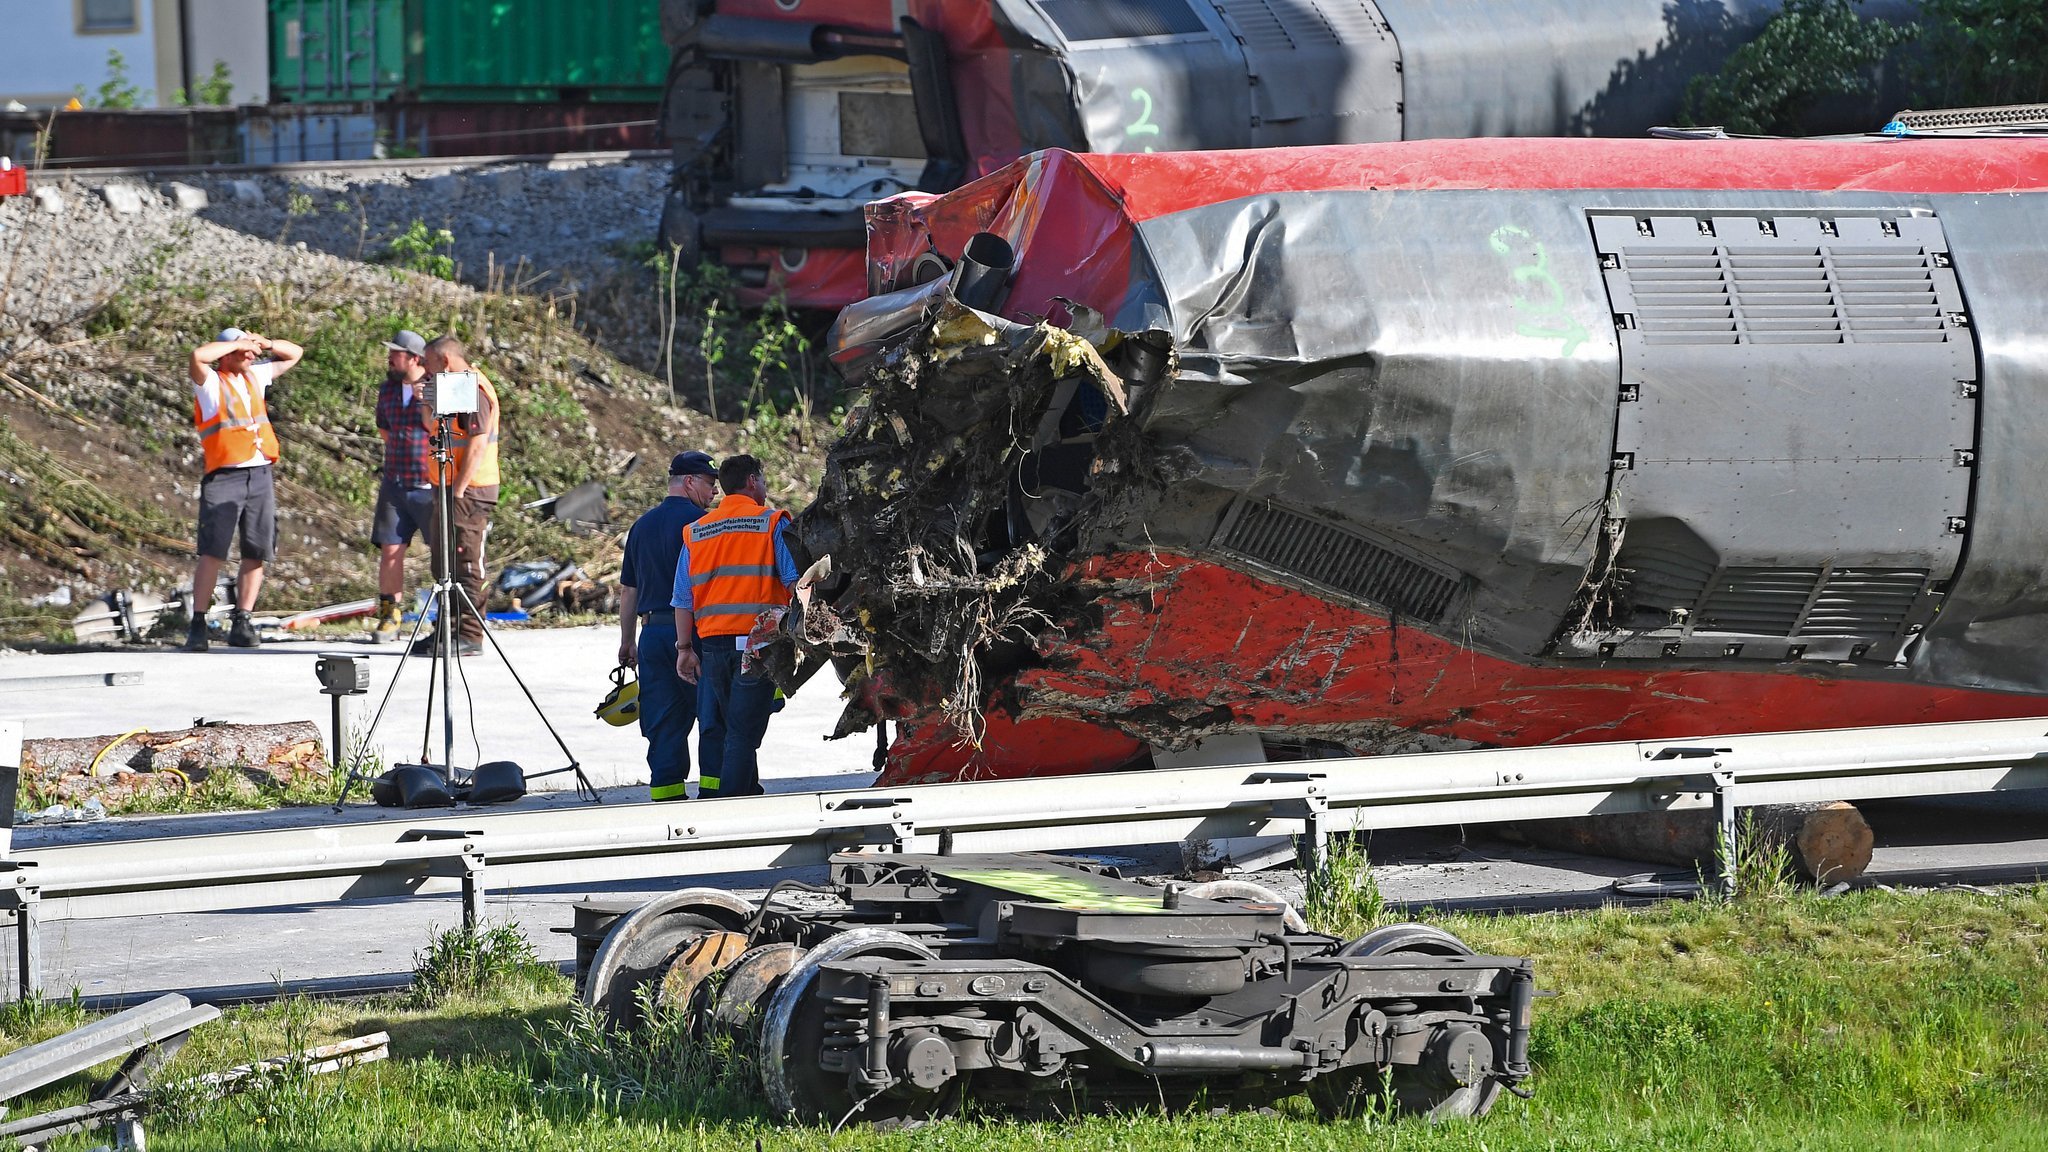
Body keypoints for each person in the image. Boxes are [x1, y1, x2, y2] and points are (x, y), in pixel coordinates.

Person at [672, 454, 798, 798]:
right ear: (753, 481)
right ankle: (732, 808)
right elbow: (793, 581)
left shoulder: (697, 531)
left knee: (734, 728)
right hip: (756, 645)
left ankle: (749, 793)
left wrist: (684, 649)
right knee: (743, 733)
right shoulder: (771, 523)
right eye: (765, 481)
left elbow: (683, 598)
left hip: (713, 646)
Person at [183, 326, 304, 651]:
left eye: (252, 352)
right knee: (213, 551)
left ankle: (243, 619)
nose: (251, 355)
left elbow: (295, 353)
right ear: (226, 353)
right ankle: (198, 623)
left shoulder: (256, 376)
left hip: (259, 473)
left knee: (257, 549)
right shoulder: (211, 383)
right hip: (225, 477)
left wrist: (264, 343)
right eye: (243, 351)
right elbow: (197, 356)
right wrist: (233, 345)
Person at [618, 451, 719, 801]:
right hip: (695, 635)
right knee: (711, 714)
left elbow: (628, 589)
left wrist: (627, 641)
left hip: (652, 636)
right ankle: (714, 795)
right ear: (689, 482)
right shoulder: (704, 526)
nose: (714, 494)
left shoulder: (641, 526)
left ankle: (666, 797)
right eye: (709, 484)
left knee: (662, 722)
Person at [415, 335, 500, 658]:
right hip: (448, 488)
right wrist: (426, 401)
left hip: (470, 490)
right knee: (443, 562)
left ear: (445, 361)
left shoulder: (475, 389)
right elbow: (432, 428)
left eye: (427, 362)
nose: (423, 368)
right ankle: (446, 629)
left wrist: (460, 488)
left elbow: (477, 444)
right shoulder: (451, 389)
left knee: (466, 561)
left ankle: (469, 634)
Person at [368, 330, 433, 642]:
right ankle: (390, 614)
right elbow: (384, 429)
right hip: (395, 483)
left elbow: (446, 431)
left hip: (431, 485)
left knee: (442, 553)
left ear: (414, 359)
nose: (390, 359)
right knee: (391, 551)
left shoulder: (436, 388)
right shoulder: (388, 390)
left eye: (396, 353)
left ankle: (447, 615)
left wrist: (427, 403)